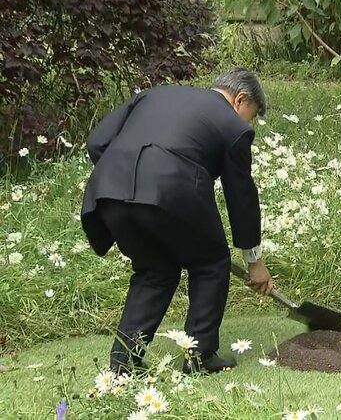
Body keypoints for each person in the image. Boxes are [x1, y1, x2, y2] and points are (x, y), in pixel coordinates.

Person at [81, 68, 274, 374]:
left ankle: (123, 364)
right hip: (171, 189)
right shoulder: (232, 125)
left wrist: (126, 176)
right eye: (249, 116)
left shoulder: (154, 94)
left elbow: (96, 143)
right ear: (240, 99)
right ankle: (200, 357)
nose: (246, 124)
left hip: (107, 193)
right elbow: (241, 197)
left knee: (155, 270)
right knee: (211, 263)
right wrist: (254, 260)